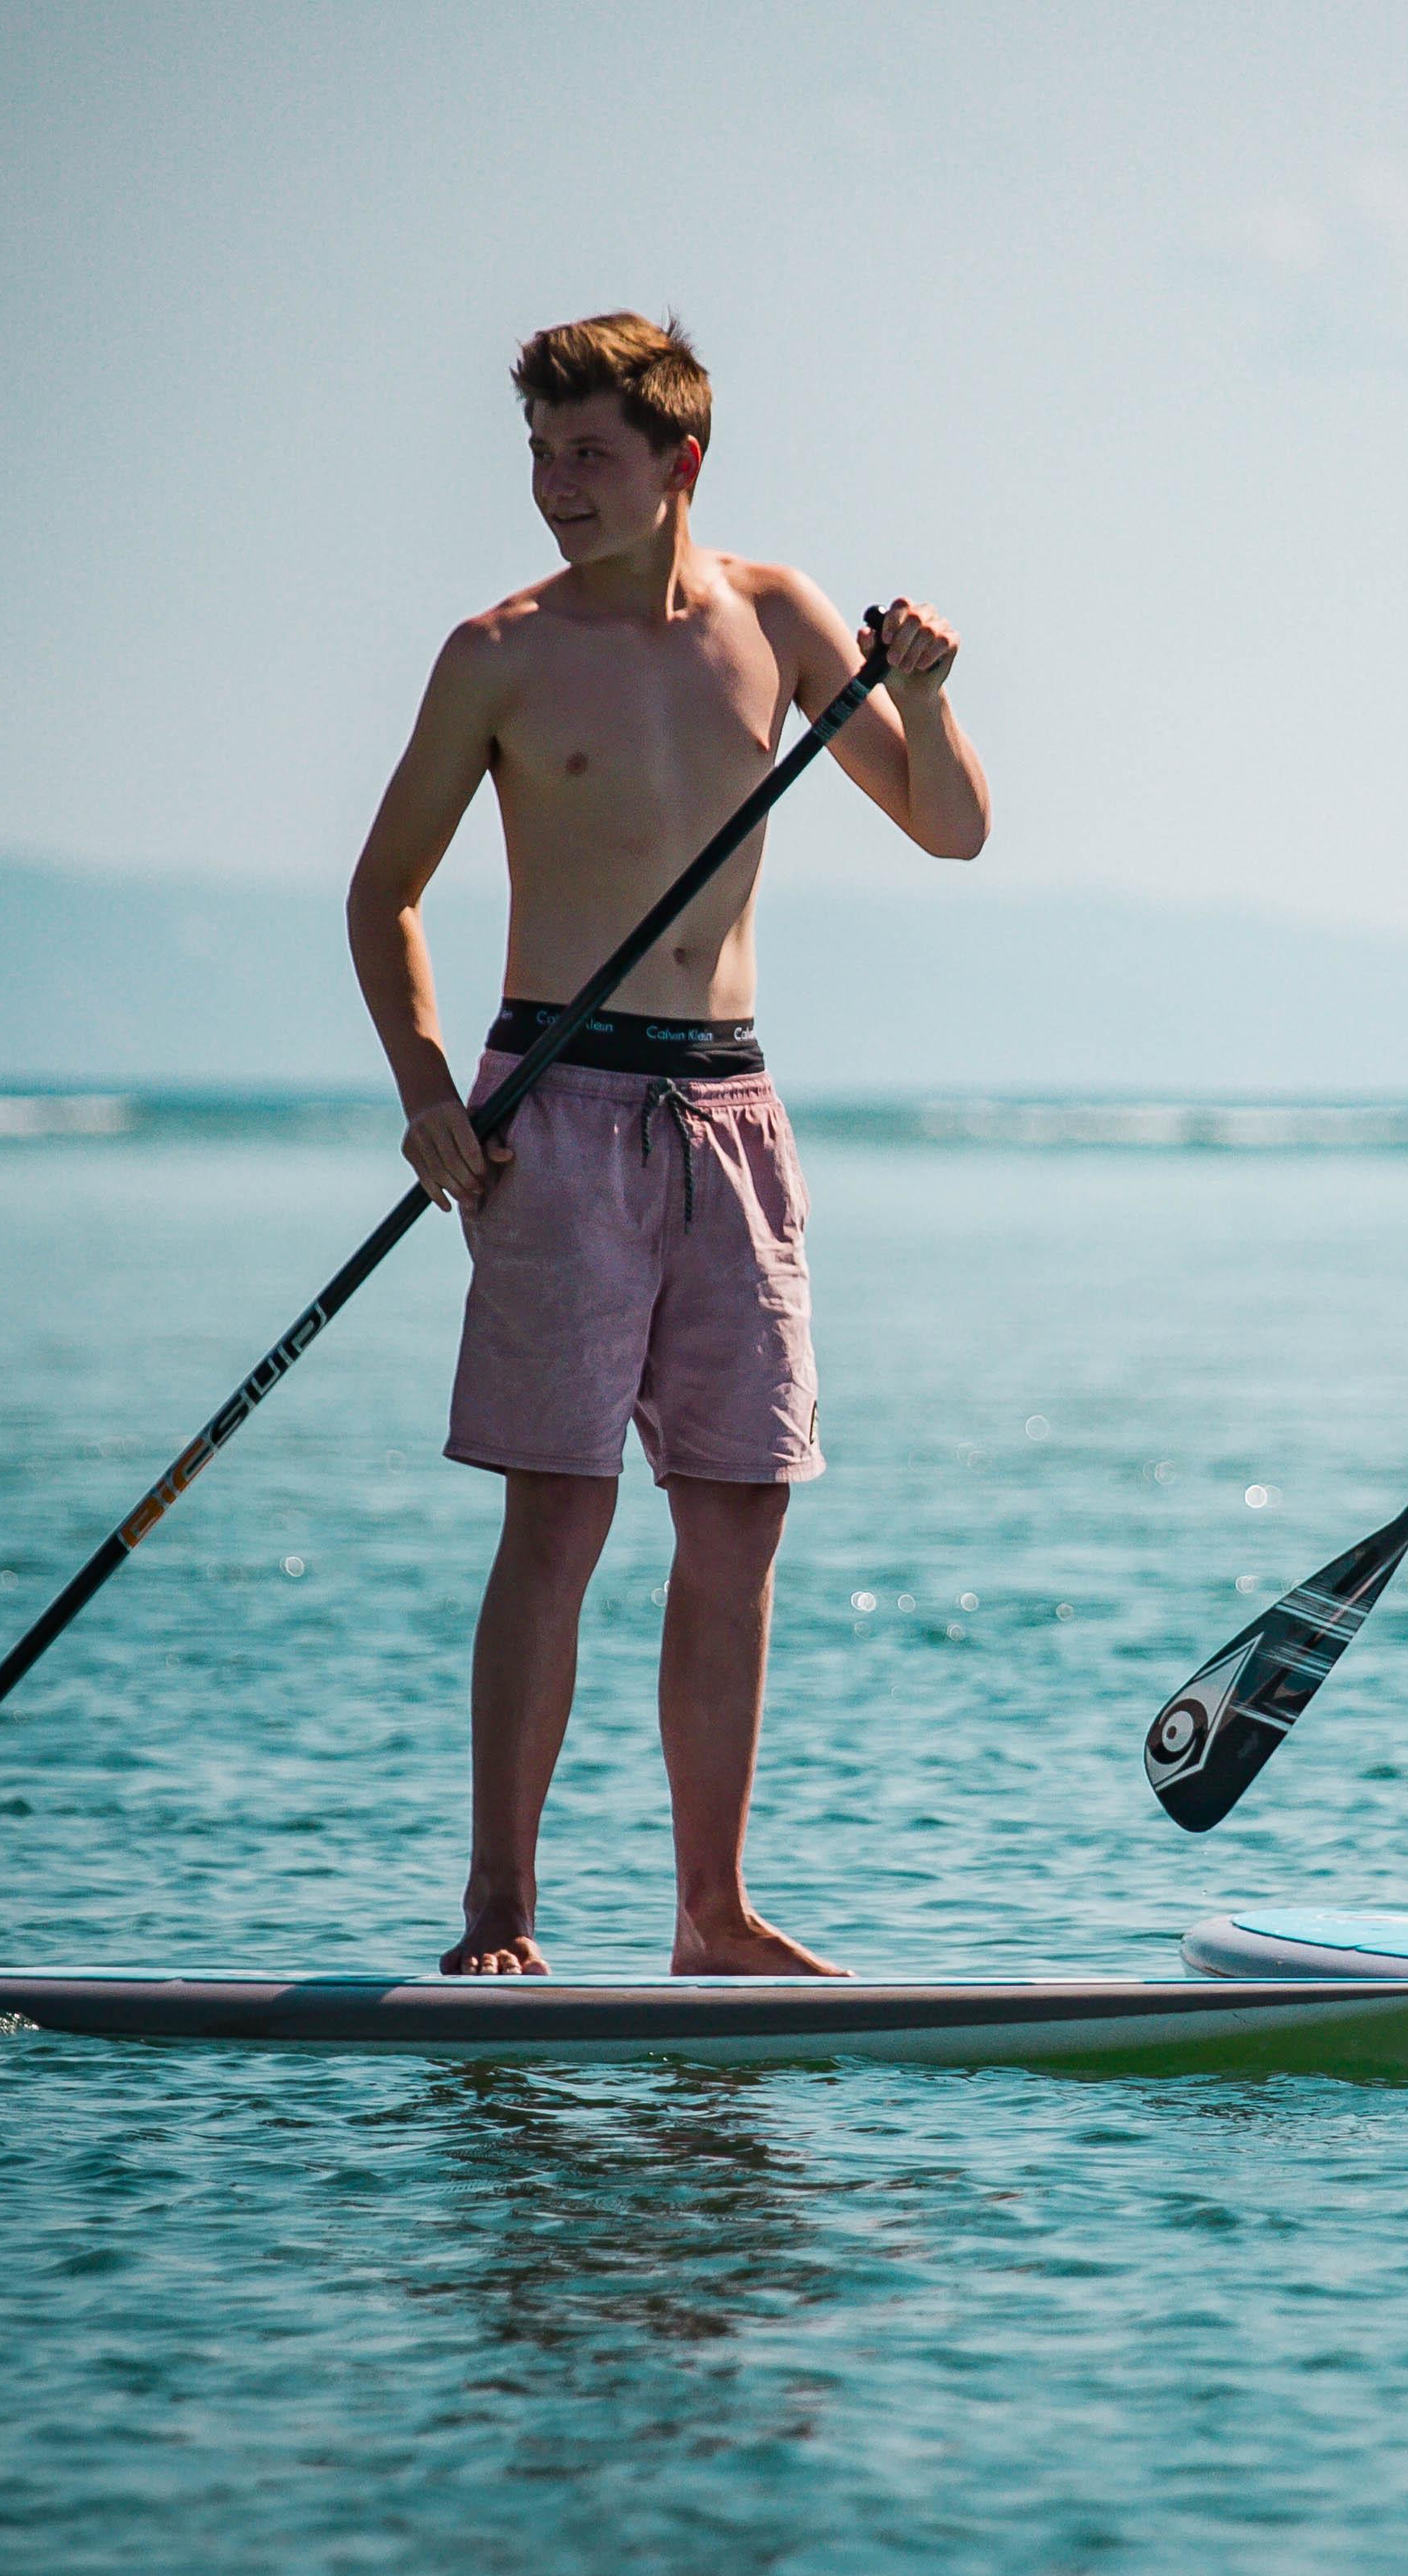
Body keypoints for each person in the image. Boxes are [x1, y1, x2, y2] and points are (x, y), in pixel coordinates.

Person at [346, 311, 990, 1978]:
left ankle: (713, 1915)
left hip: (730, 1110)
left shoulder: (777, 619)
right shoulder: (494, 651)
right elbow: (385, 895)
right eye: (543, 456)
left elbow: (951, 827)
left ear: (678, 464)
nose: (557, 487)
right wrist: (428, 1087)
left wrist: (922, 689)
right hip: (547, 1118)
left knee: (739, 1516)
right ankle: (502, 1916)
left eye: (591, 457)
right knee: (556, 1523)